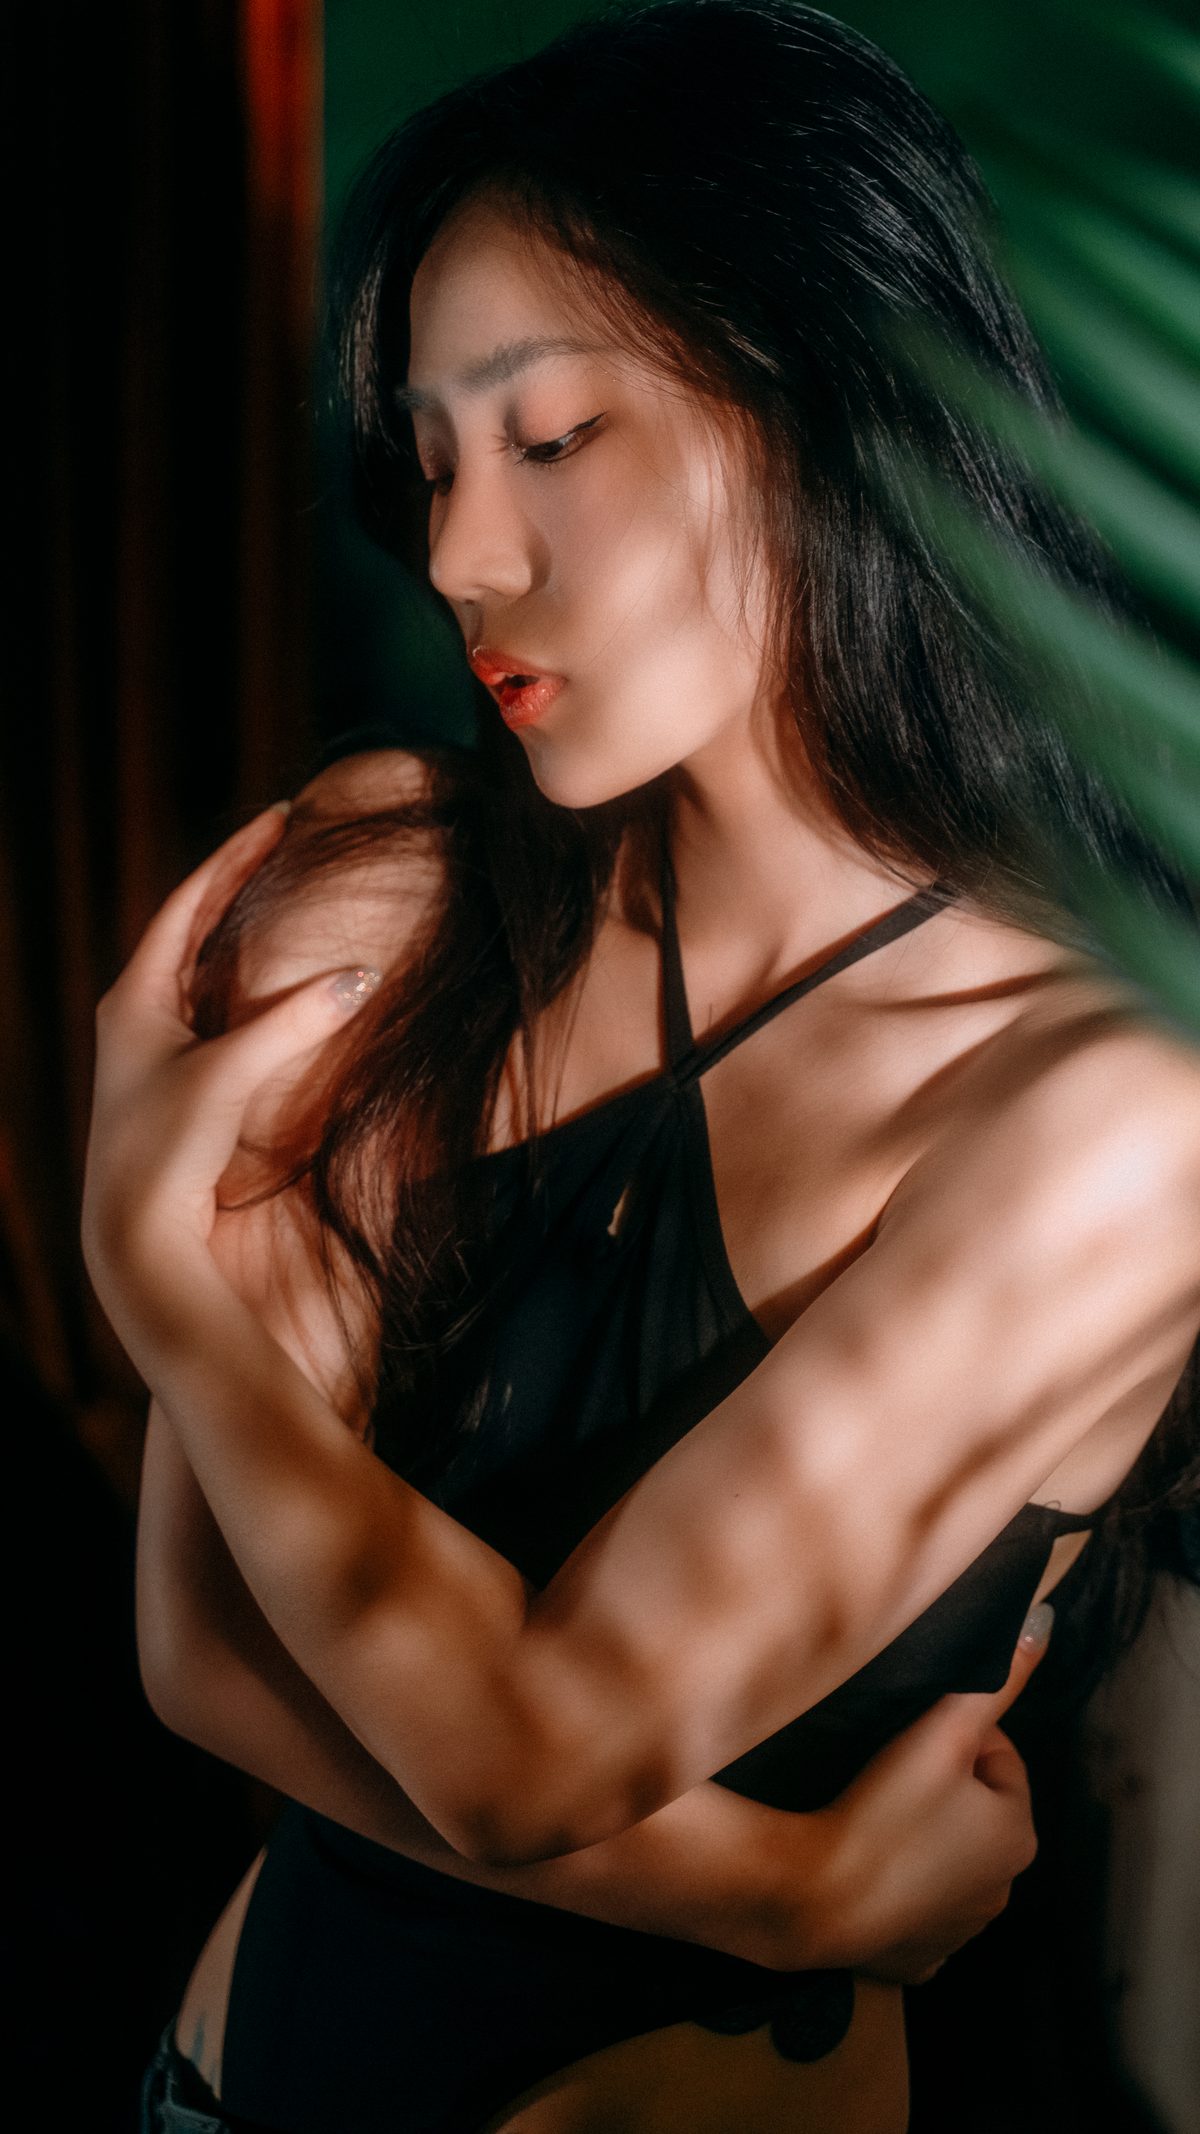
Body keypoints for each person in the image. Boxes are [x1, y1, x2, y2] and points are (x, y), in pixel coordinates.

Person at [83, 3, 1200, 2129]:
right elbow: (207, 1650)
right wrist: (783, 1892)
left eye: (552, 435)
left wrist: (165, 1286)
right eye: (432, 462)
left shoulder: (1107, 1123)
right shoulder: (393, 896)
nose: (456, 554)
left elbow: (540, 1749)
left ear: (819, 406)